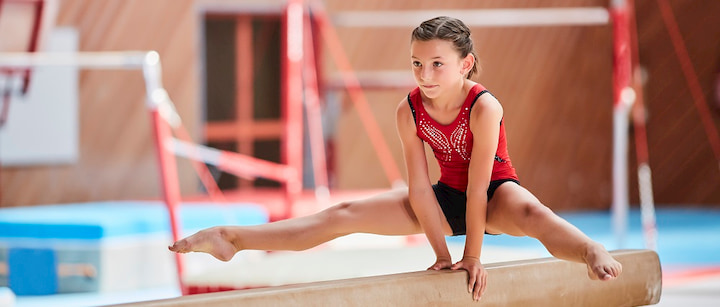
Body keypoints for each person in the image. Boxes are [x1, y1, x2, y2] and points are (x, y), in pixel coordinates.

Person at [169, 16, 622, 301]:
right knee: (342, 214)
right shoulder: (408, 110)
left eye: (437, 64)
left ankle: (590, 249)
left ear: (465, 64)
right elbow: (420, 189)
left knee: (534, 213)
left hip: (495, 194)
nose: (425, 75)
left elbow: (481, 189)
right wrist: (443, 257)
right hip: (443, 198)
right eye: (417, 64)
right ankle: (233, 238)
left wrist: (472, 258)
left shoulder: (485, 107)